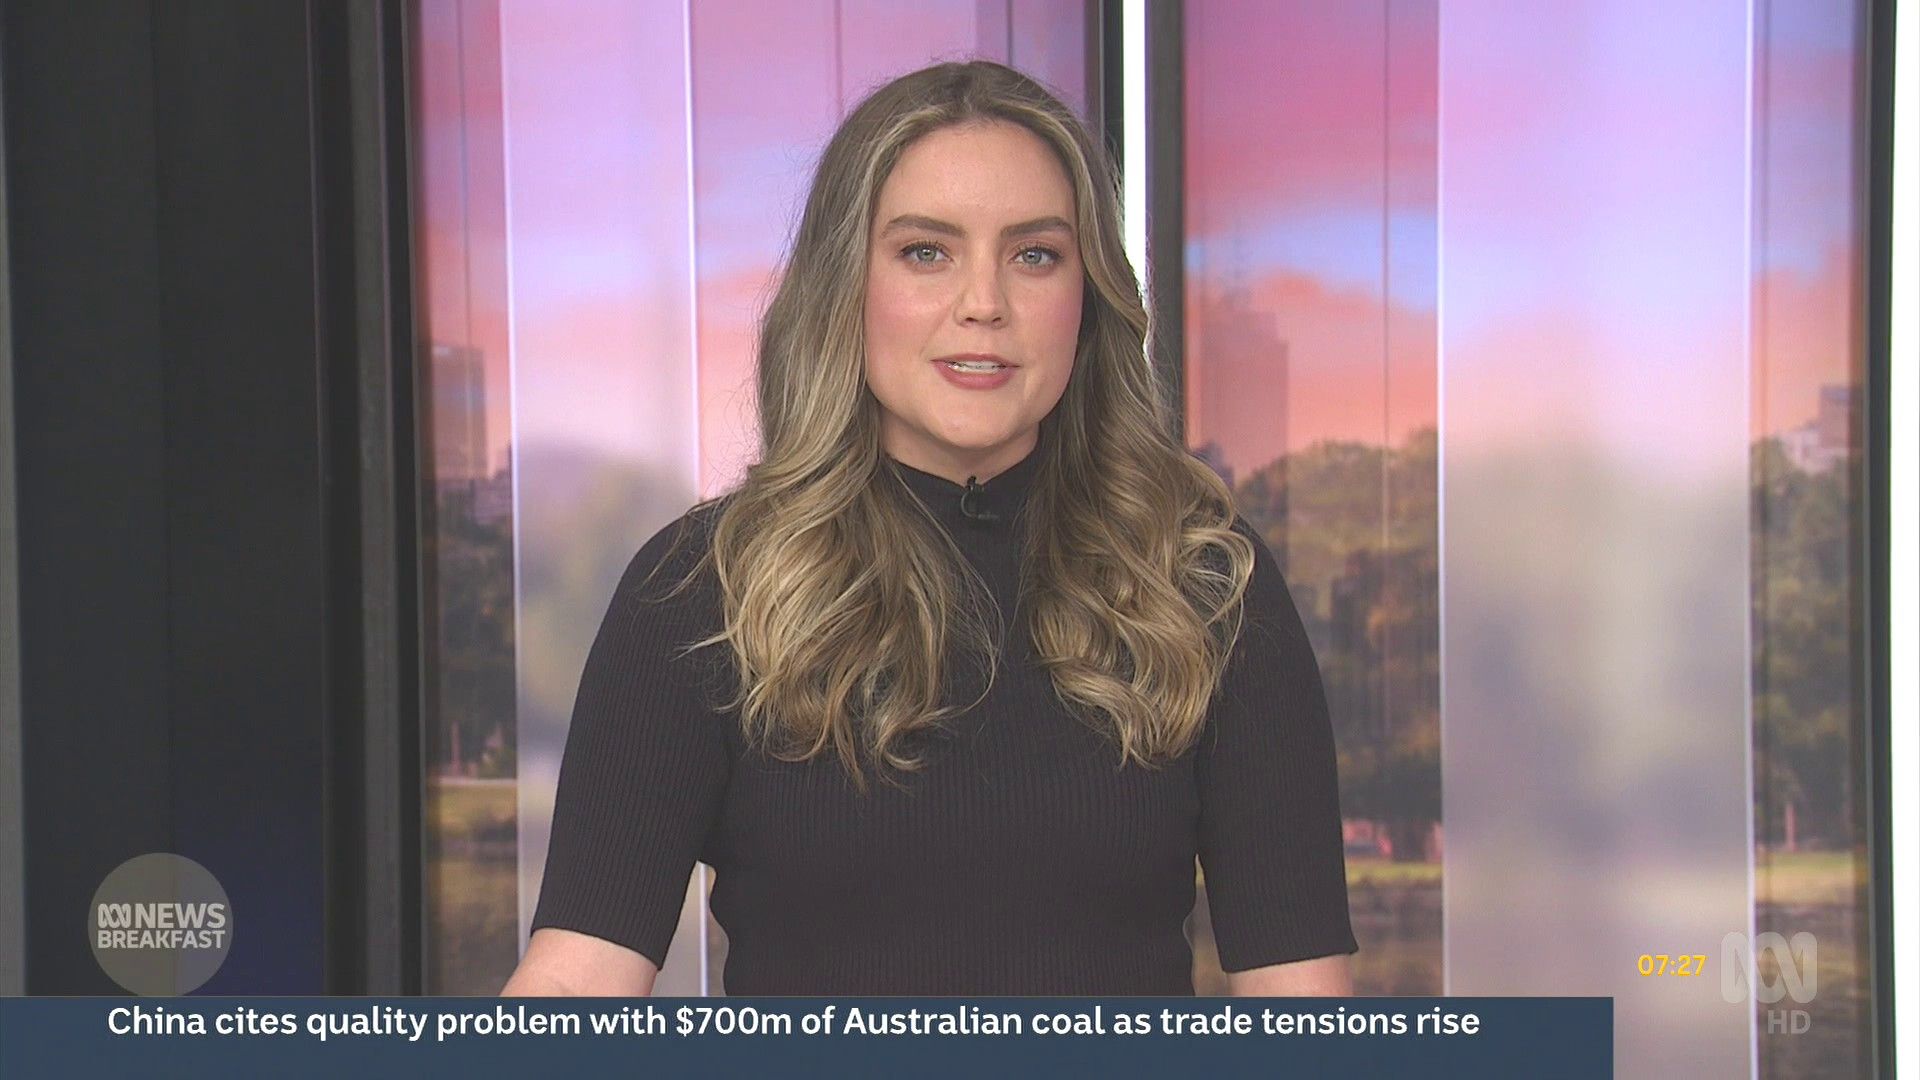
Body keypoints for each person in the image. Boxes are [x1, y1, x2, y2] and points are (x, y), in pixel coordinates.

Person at [501, 59, 1356, 997]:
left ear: (1087, 297)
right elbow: (577, 982)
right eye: (925, 252)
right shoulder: (702, 588)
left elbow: (1302, 1011)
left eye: (1035, 255)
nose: (983, 303)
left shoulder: (1202, 581)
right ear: (846, 285)